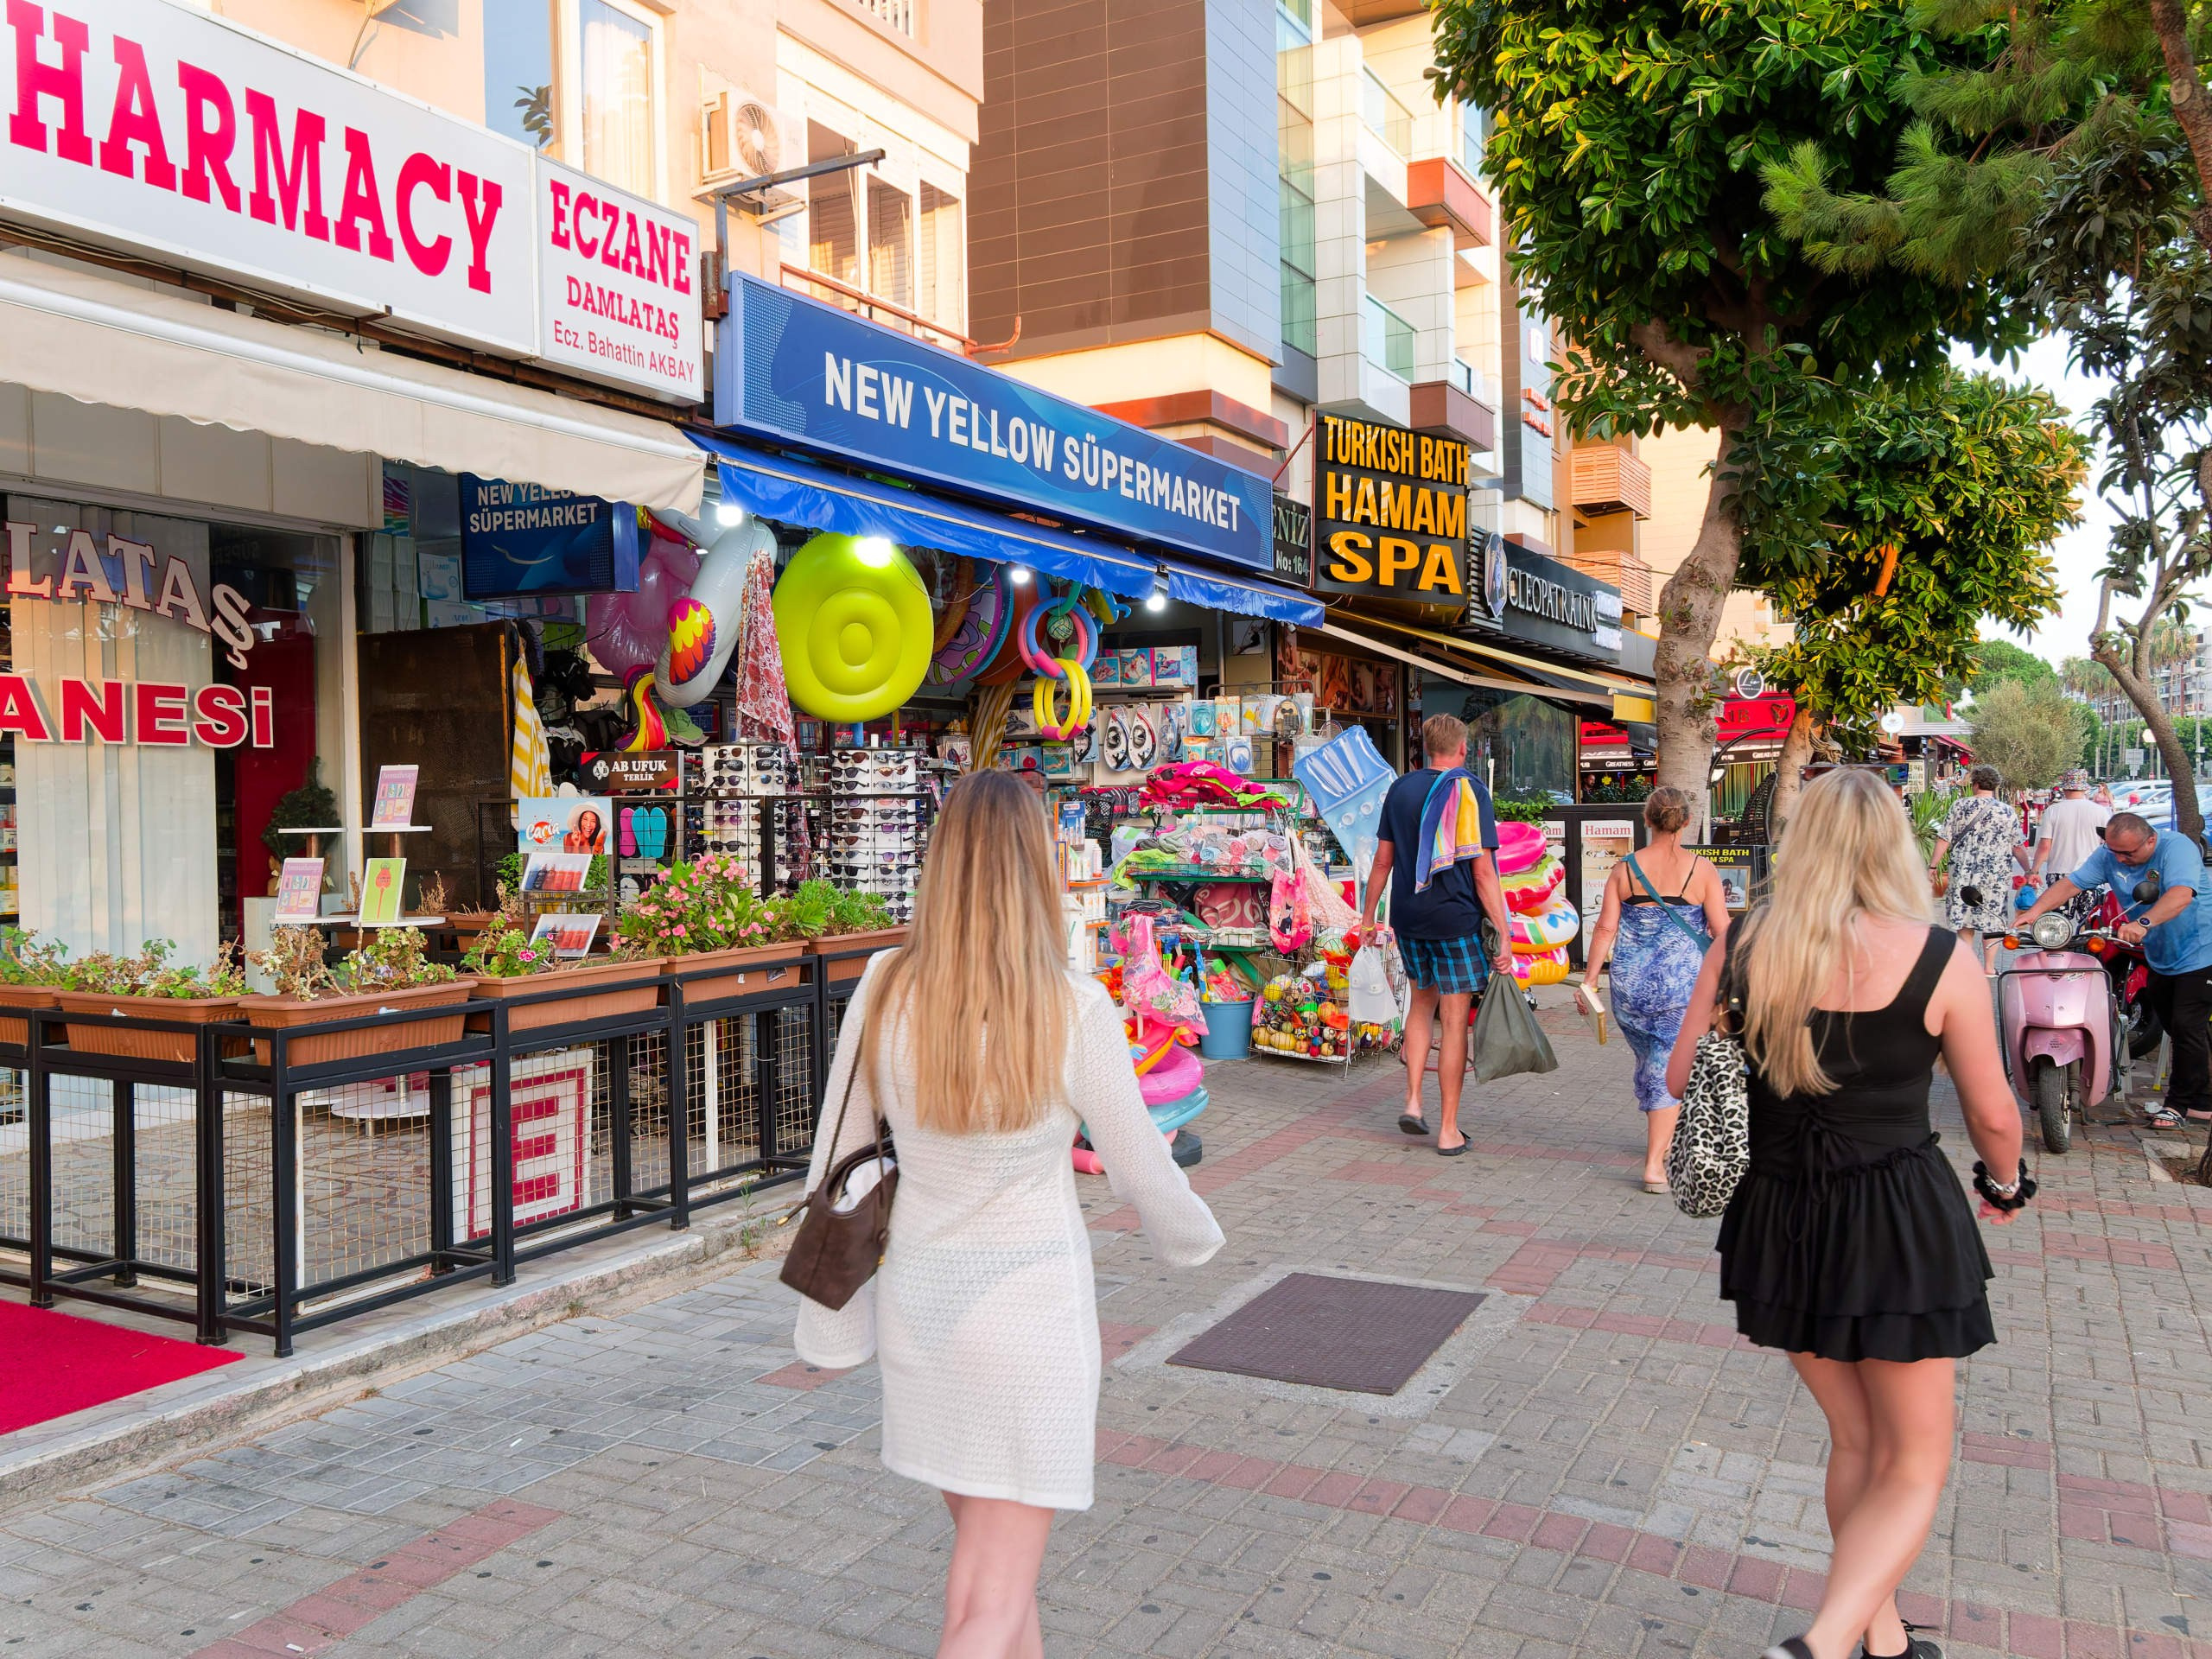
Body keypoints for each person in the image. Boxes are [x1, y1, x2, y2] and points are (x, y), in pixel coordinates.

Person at [793, 771, 1224, 1658]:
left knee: (995, 1578)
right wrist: (1195, 1239)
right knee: (984, 1606)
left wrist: (831, 1323)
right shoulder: (1071, 1006)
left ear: (940, 864)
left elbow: (838, 1163)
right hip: (1030, 1323)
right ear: (1037, 869)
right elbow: (1142, 1168)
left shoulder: (885, 986)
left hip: (925, 1316)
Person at [1666, 769, 2025, 1659]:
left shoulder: (1746, 942)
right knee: (1914, 1462)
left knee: (1857, 1441)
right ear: (1894, 845)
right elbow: (1991, 1114)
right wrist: (2005, 1184)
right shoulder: (1942, 956)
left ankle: (1886, 1640)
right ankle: (1821, 1644)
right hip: (1897, 1221)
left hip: (1778, 1217)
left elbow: (1678, 1081)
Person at [1357, 712, 1515, 1156]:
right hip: (1456, 920)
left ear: (1426, 748)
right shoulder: (1470, 791)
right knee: (1454, 1018)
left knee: (1420, 1005)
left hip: (1409, 918)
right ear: (1462, 749)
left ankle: (1412, 1100)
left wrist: (1369, 918)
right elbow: (1484, 873)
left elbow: (1382, 863)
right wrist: (1504, 931)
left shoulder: (1400, 789)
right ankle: (1448, 1129)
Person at [1579, 787, 1732, 1194]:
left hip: (1629, 989)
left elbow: (1606, 928)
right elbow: (1721, 932)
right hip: (1683, 989)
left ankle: (1662, 1128)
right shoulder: (1702, 870)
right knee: (1666, 1067)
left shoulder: (1624, 869)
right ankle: (1654, 1165)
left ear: (1647, 820)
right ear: (1684, 823)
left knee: (1653, 1060)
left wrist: (1590, 980)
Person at [2019, 809, 2212, 1129]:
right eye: (2115, 852)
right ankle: (2204, 1103)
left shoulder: (2175, 847)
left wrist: (2143, 922)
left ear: (2151, 839)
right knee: (2180, 1029)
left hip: (2202, 950)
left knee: (2186, 1026)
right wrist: (2035, 910)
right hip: (2162, 954)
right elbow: (2072, 883)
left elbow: (2180, 895)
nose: (2120, 860)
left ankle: (2177, 1106)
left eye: (2129, 853)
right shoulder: (2110, 853)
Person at [1929, 765, 2030, 972]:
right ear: (1995, 785)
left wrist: (1932, 866)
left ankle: (1967, 967)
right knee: (1992, 919)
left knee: (1965, 920)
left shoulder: (1959, 806)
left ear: (1975, 784)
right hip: (1995, 876)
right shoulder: (2006, 811)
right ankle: (1990, 968)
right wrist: (2029, 870)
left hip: (1964, 872)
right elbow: (2017, 846)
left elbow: (1944, 839)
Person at [2031, 769, 2112, 925]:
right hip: (2090, 873)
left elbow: (2045, 845)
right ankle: (2084, 948)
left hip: (2059, 873)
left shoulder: (2053, 811)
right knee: (2088, 921)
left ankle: (2059, 948)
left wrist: (2034, 871)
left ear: (2064, 788)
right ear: (2085, 788)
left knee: (2058, 922)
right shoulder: (2100, 812)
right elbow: (2108, 844)